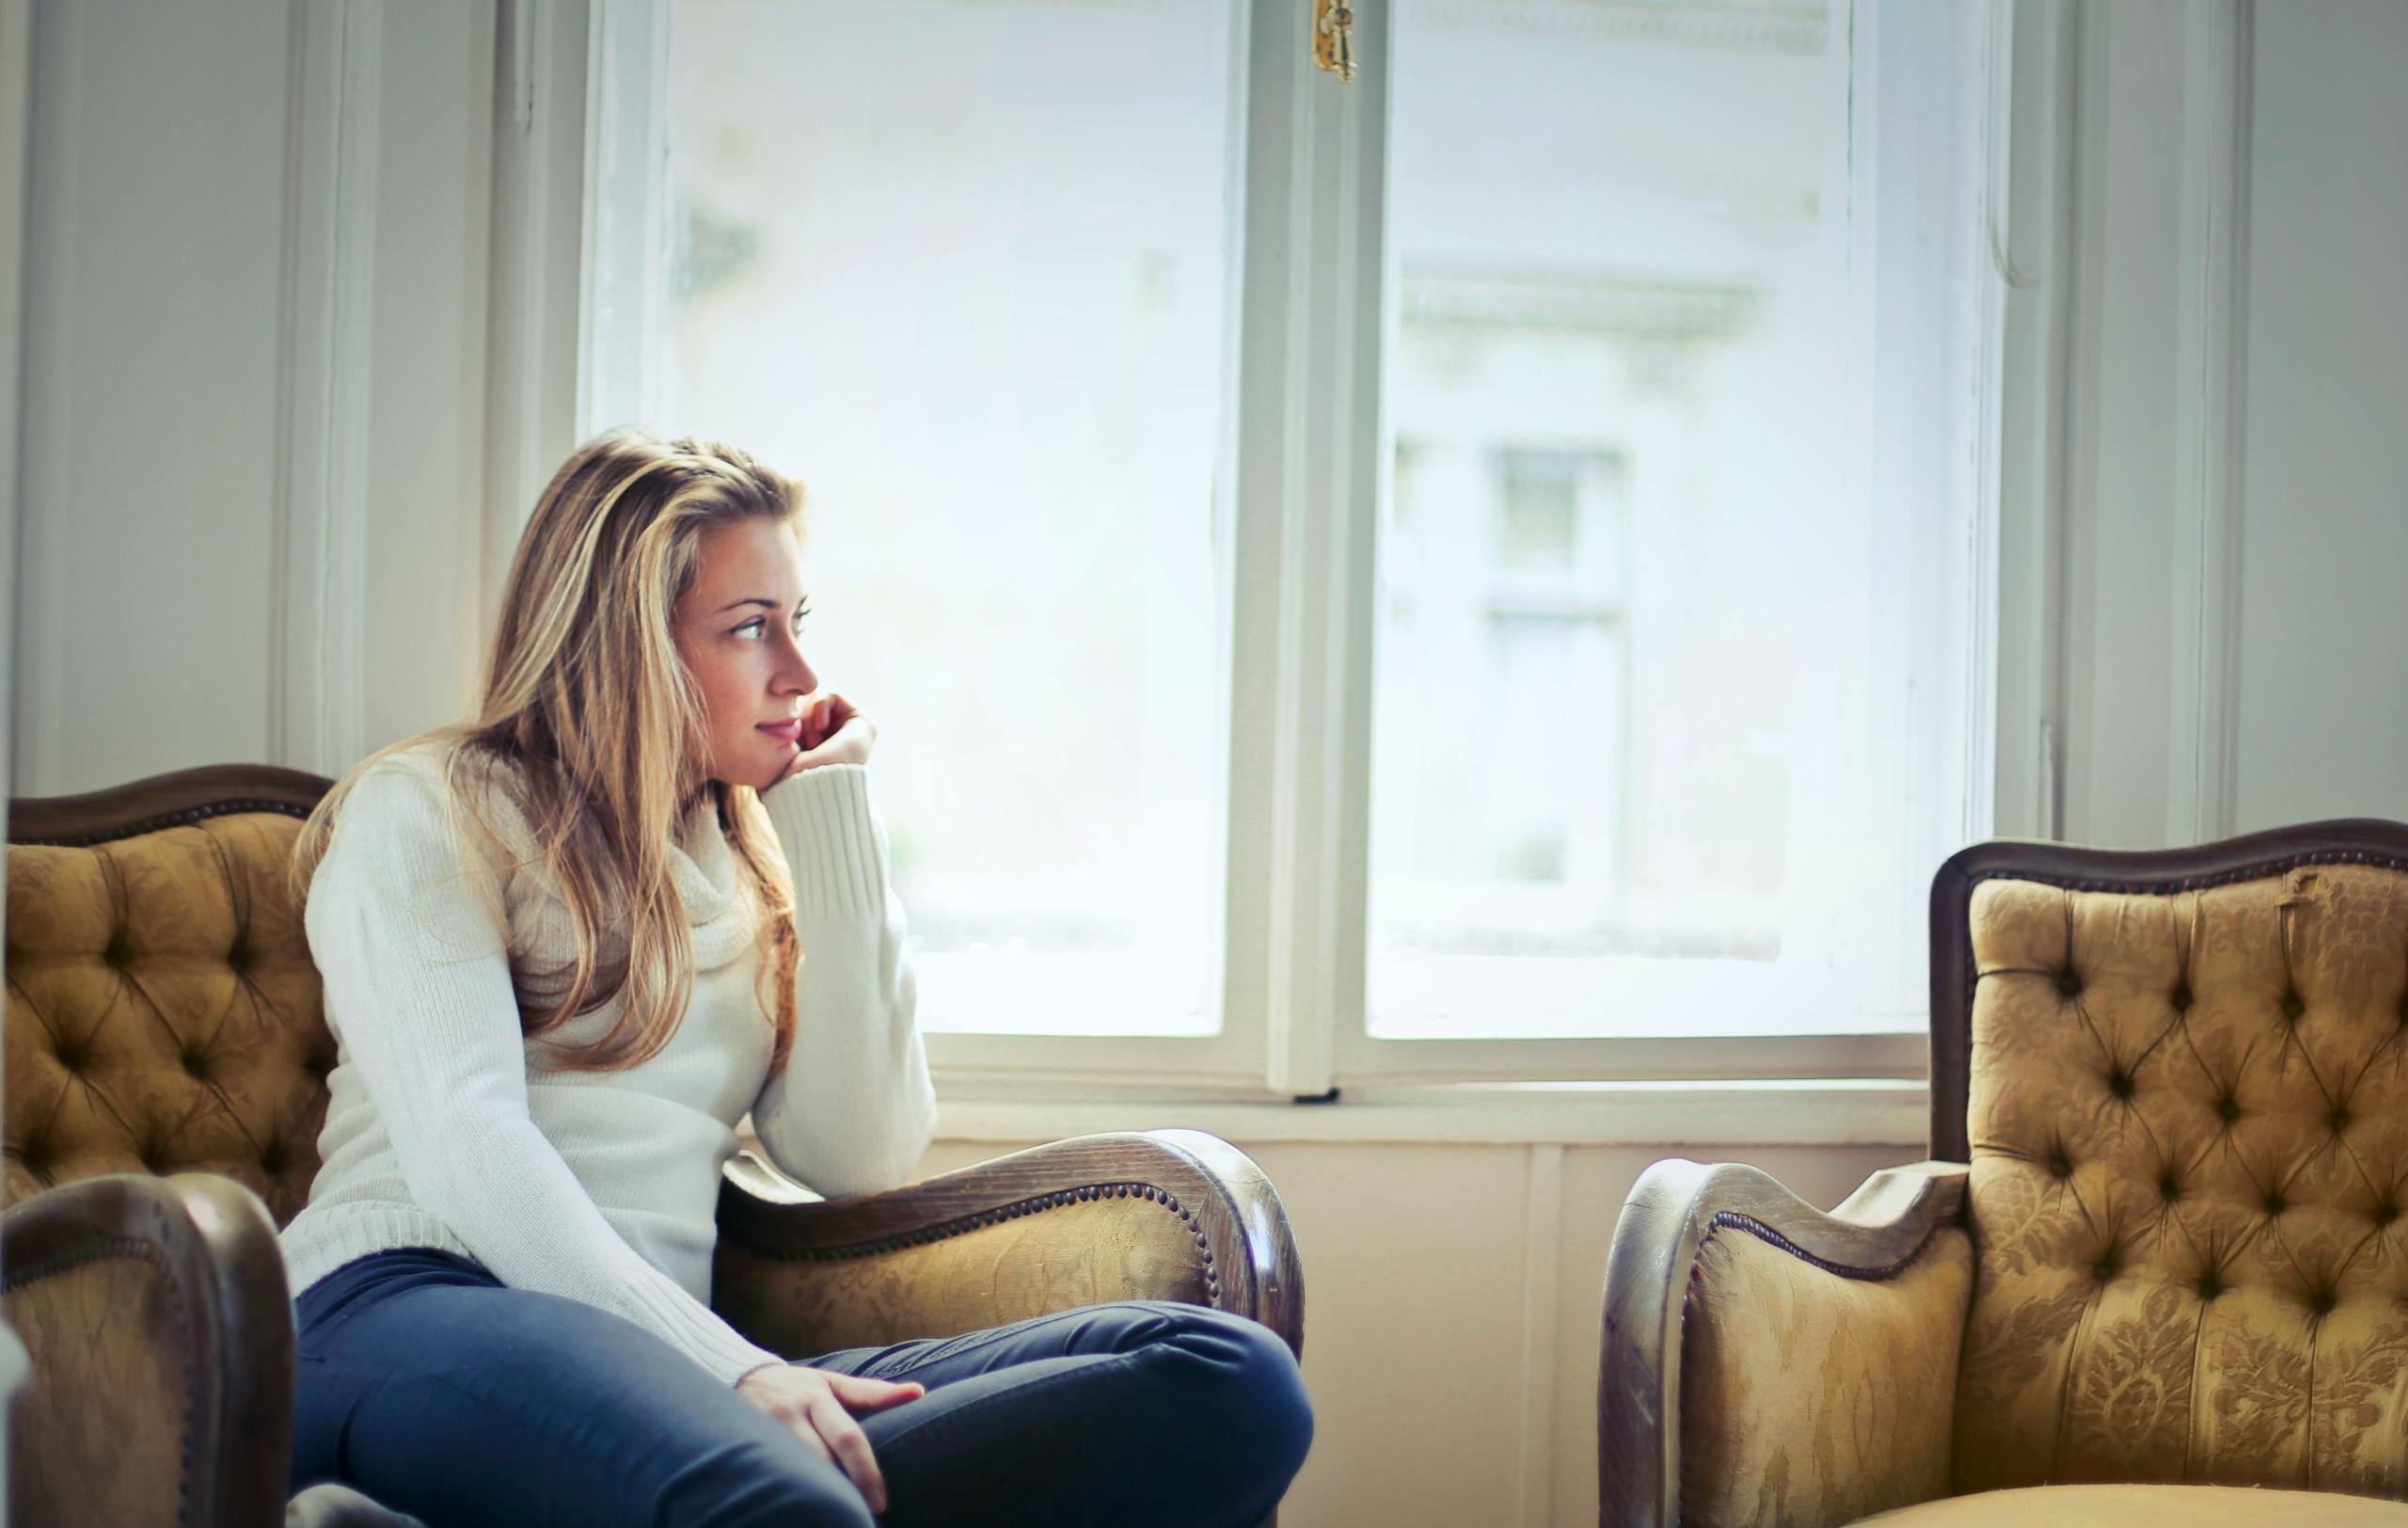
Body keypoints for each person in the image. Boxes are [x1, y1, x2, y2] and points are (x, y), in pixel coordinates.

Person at [279, 428, 1312, 1527]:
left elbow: (852, 1151)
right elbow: (467, 1148)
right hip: (400, 1304)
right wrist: (732, 1373)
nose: (802, 675)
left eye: (797, 623)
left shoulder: (742, 852)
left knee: (1228, 1379)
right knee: (782, 1501)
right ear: (627, 648)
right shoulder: (429, 809)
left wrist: (829, 819)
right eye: (749, 630)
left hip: (664, 1361)